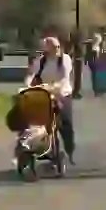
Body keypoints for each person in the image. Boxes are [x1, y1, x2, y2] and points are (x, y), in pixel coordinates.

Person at [23, 35, 76, 165]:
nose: (57, 49)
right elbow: (31, 75)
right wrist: (28, 84)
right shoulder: (41, 61)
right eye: (53, 47)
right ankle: (40, 146)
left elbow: (64, 76)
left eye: (58, 46)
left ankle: (70, 151)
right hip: (45, 94)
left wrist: (55, 86)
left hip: (62, 93)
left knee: (65, 123)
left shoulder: (65, 59)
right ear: (47, 49)